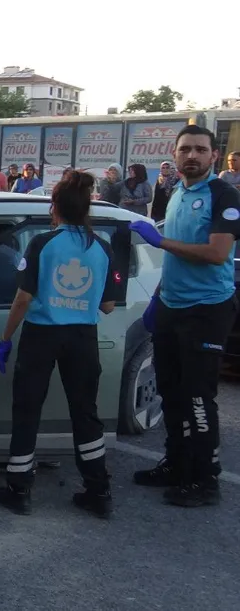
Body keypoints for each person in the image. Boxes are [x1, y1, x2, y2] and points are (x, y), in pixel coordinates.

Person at [0, 170, 118, 518]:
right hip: (82, 337)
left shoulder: (42, 244)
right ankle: (99, 491)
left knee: (27, 409)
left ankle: (19, 490)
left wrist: (5, 338)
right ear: (86, 209)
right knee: (85, 413)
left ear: (55, 207)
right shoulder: (102, 248)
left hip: (42, 335)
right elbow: (108, 306)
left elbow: (23, 298)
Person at [130, 124, 240, 507]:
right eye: (185, 149)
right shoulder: (177, 191)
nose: (192, 155)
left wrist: (160, 241)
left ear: (213, 155)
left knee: (198, 397)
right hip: (172, 306)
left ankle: (206, 480)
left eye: (200, 149)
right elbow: (176, 261)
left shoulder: (223, 194)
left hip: (206, 310)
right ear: (174, 154)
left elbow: (217, 254)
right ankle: (176, 465)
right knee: (171, 391)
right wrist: (158, 297)